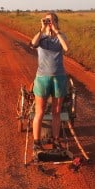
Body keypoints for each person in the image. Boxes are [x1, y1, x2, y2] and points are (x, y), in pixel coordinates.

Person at [29, 12, 69, 156]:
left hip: (59, 77)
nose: (49, 23)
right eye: (47, 21)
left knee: (56, 112)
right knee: (39, 111)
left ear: (56, 22)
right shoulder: (41, 37)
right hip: (42, 78)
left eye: (51, 21)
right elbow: (32, 44)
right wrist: (42, 29)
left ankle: (56, 140)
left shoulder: (61, 36)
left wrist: (56, 31)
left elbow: (66, 48)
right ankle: (37, 142)